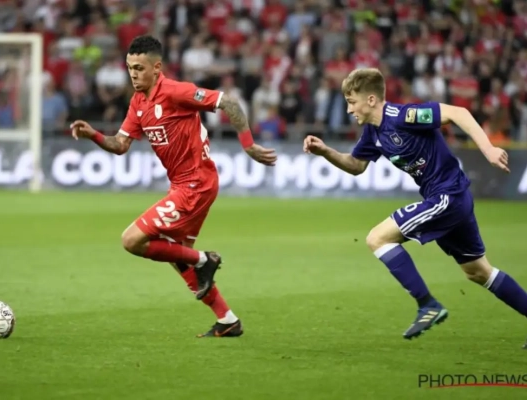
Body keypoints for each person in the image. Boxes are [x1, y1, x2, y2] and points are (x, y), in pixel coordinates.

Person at [70, 35, 277, 338]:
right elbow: (121, 144)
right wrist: (94, 135)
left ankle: (206, 259)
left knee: (131, 240)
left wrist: (248, 145)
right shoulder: (138, 102)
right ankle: (227, 320)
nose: (133, 74)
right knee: (177, 256)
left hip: (196, 184)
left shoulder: (175, 92)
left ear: (157, 68)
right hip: (182, 185)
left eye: (139, 68)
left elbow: (228, 102)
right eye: (130, 68)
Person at [303, 68, 527, 344]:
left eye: (352, 102)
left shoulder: (404, 116)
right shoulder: (372, 133)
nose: (349, 110)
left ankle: (427, 305)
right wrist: (326, 151)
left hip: (448, 196)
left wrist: (489, 149)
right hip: (450, 199)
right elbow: (356, 165)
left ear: (371, 100)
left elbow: (458, 113)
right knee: (478, 272)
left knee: (377, 238)